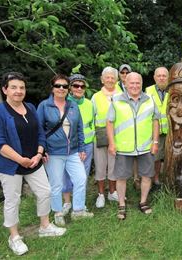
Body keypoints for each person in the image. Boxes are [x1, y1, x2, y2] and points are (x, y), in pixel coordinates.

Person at [0, 72, 66, 256]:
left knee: (45, 192)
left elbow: (40, 133)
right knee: (12, 200)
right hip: (11, 166)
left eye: (22, 87)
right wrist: (19, 159)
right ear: (5, 89)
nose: (18, 91)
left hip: (34, 161)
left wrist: (39, 153)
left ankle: (45, 226)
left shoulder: (30, 107)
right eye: (14, 87)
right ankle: (14, 237)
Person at [37, 74, 93, 226]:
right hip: (54, 152)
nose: (61, 88)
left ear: (68, 89)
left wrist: (81, 148)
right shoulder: (44, 106)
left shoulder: (72, 105)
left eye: (64, 86)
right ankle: (58, 213)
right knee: (56, 184)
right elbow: (39, 130)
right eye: (58, 86)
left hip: (73, 151)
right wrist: (42, 150)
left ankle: (78, 211)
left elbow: (79, 128)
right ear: (52, 88)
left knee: (81, 179)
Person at [107, 72, 160, 220]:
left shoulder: (150, 99)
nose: (135, 86)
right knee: (121, 177)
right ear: (125, 84)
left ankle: (143, 202)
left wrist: (155, 142)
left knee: (147, 175)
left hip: (145, 146)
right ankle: (121, 204)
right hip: (124, 146)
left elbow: (156, 121)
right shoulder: (116, 99)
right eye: (132, 83)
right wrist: (112, 143)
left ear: (141, 84)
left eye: (138, 83)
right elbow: (109, 122)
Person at [62, 74, 95, 215]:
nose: (79, 88)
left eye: (82, 86)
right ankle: (67, 203)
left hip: (86, 145)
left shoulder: (89, 104)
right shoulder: (63, 103)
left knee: (83, 175)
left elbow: (92, 123)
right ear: (70, 87)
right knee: (66, 175)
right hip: (68, 146)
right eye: (76, 85)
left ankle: (79, 204)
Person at [92, 67, 120, 208]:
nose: (110, 80)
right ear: (102, 79)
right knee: (101, 165)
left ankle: (113, 191)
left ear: (116, 79)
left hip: (117, 135)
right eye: (107, 77)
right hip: (101, 135)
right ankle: (101, 194)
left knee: (114, 165)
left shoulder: (122, 94)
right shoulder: (96, 97)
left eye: (112, 77)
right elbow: (92, 117)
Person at [145, 67, 169, 191]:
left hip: (169, 132)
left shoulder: (173, 91)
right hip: (154, 132)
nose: (161, 78)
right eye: (159, 75)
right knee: (154, 158)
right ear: (154, 77)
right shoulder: (147, 91)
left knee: (167, 158)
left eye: (164, 75)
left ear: (168, 77)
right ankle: (153, 181)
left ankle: (162, 180)